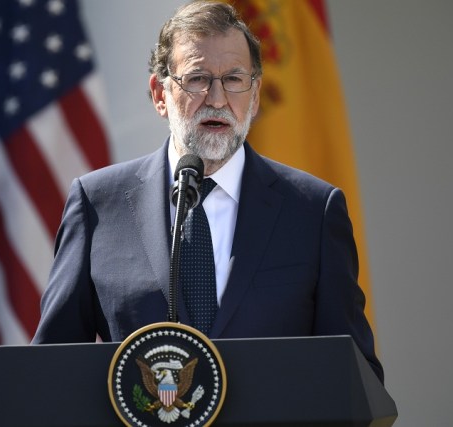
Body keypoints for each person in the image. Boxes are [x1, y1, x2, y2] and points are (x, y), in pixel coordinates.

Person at [31, 0, 383, 382]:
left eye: (234, 79)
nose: (217, 99)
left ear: (256, 94)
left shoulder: (313, 211)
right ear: (159, 94)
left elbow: (355, 377)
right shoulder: (97, 204)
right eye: (197, 79)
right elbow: (50, 370)